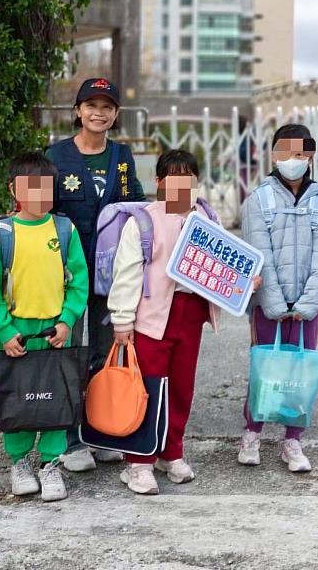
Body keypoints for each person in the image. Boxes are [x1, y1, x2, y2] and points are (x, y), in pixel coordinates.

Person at [107, 150, 223, 495]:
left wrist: (244, 281)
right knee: (147, 391)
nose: (180, 186)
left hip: (191, 315)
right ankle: (138, 461)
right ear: (158, 182)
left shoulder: (207, 216)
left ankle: (171, 453)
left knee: (181, 389)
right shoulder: (143, 221)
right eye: (172, 179)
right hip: (151, 320)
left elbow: (223, 262)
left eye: (188, 179)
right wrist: (122, 320)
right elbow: (126, 274)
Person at [46, 77, 145, 472]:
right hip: (66, 273)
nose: (98, 113)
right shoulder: (55, 156)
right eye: (91, 105)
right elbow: (36, 206)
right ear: (78, 111)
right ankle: (70, 439)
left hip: (110, 273)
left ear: (116, 114)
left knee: (106, 352)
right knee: (68, 349)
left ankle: (100, 430)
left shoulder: (122, 157)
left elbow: (136, 205)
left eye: (107, 107)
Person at [0, 152, 89, 501]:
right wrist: (3, 329)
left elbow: (78, 282)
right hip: (17, 333)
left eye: (47, 187)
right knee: (18, 398)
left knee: (56, 397)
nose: (41, 194)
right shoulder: (1, 233)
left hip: (54, 333)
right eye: (31, 187)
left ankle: (51, 464)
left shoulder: (64, 229)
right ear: (15, 189)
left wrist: (67, 320)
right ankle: (19, 462)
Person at [237, 124, 318, 473]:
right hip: (269, 304)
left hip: (307, 305)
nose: (293, 160)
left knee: (300, 370)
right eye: (286, 152)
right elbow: (258, 252)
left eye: (301, 153)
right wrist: (274, 304)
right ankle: (252, 432)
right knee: (265, 367)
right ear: (274, 154)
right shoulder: (257, 199)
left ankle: (293, 440)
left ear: (310, 157)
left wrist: (308, 303)